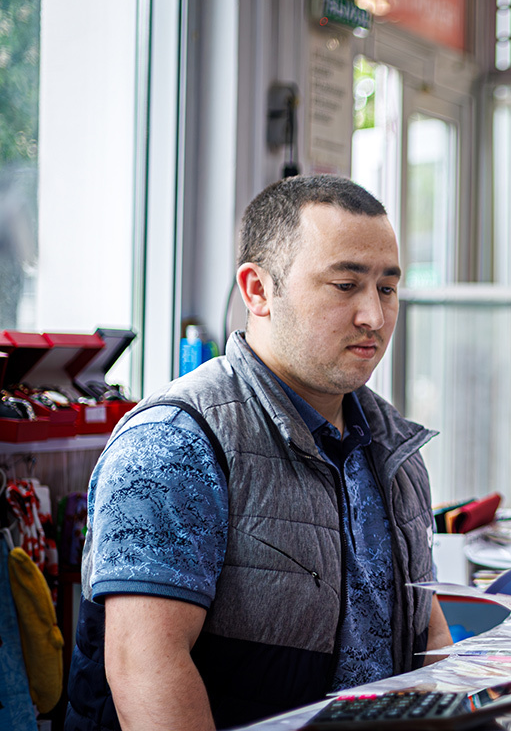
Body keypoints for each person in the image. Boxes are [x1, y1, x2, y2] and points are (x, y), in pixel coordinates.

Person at [65, 175, 451, 731]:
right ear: (257, 291)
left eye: (387, 289)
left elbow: (426, 630)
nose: (373, 316)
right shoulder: (176, 443)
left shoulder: (391, 444)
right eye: (345, 285)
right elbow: (147, 669)